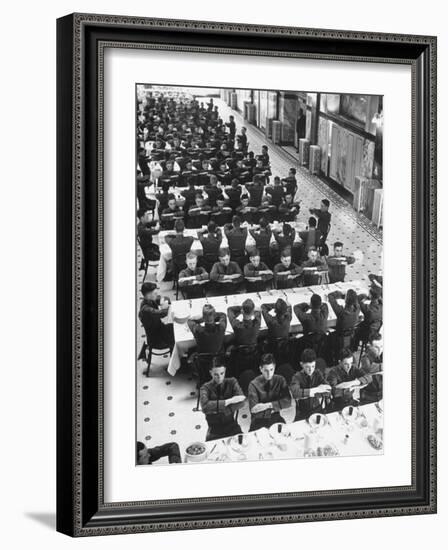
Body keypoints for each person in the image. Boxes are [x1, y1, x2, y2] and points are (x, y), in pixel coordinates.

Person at [200, 363, 246, 441]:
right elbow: (205, 407)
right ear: (210, 373)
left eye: (222, 373)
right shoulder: (205, 388)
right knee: (211, 449)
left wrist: (215, 409)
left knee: (242, 444)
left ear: (225, 371)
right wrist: (228, 401)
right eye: (216, 374)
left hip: (231, 424)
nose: (220, 378)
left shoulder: (232, 382)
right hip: (214, 428)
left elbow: (242, 402)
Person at [248, 354, 292, 431]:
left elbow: (288, 402)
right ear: (260, 369)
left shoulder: (280, 380)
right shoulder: (253, 384)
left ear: (274, 368)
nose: (269, 374)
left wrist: (268, 405)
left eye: (271, 370)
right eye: (266, 370)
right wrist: (276, 406)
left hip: (276, 418)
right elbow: (254, 410)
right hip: (258, 421)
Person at [290, 349, 332, 420]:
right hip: (303, 411)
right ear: (301, 364)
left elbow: (329, 390)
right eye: (307, 367)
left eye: (313, 366)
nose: (311, 370)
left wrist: (306, 395)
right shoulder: (296, 376)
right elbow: (295, 394)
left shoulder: (317, 373)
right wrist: (317, 389)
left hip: (317, 408)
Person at [138, 282, 174, 350]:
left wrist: (165, 300)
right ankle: (175, 355)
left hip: (160, 328)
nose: (157, 294)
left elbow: (164, 298)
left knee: (174, 327)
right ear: (148, 295)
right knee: (176, 336)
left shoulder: (150, 300)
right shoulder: (146, 309)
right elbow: (162, 314)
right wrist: (166, 307)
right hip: (156, 338)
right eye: (155, 293)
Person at [359, 332, 383, 403]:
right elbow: (368, 368)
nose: (380, 350)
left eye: (381, 346)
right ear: (369, 346)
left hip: (381, 392)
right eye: (376, 347)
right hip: (368, 394)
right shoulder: (365, 358)